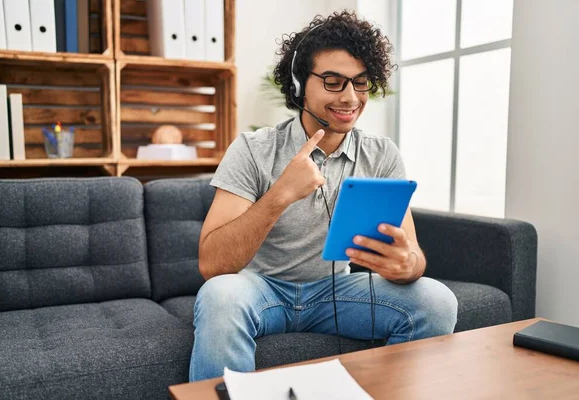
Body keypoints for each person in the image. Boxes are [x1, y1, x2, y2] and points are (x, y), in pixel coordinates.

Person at [190, 10, 458, 382]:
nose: (350, 98)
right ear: (299, 85)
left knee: (436, 300)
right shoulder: (253, 149)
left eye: (361, 83)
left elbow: (411, 254)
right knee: (220, 295)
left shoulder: (381, 154)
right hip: (260, 289)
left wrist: (407, 264)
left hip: (337, 289)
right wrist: (281, 194)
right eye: (333, 82)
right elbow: (212, 265)